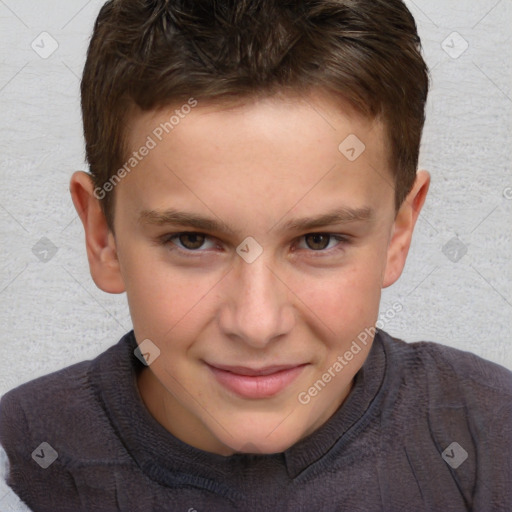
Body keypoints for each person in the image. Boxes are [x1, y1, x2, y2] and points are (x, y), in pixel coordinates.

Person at [1, 0, 511, 510]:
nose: (257, 324)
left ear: (399, 233)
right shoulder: (21, 459)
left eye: (318, 240)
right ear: (102, 237)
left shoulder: (492, 439)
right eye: (192, 240)